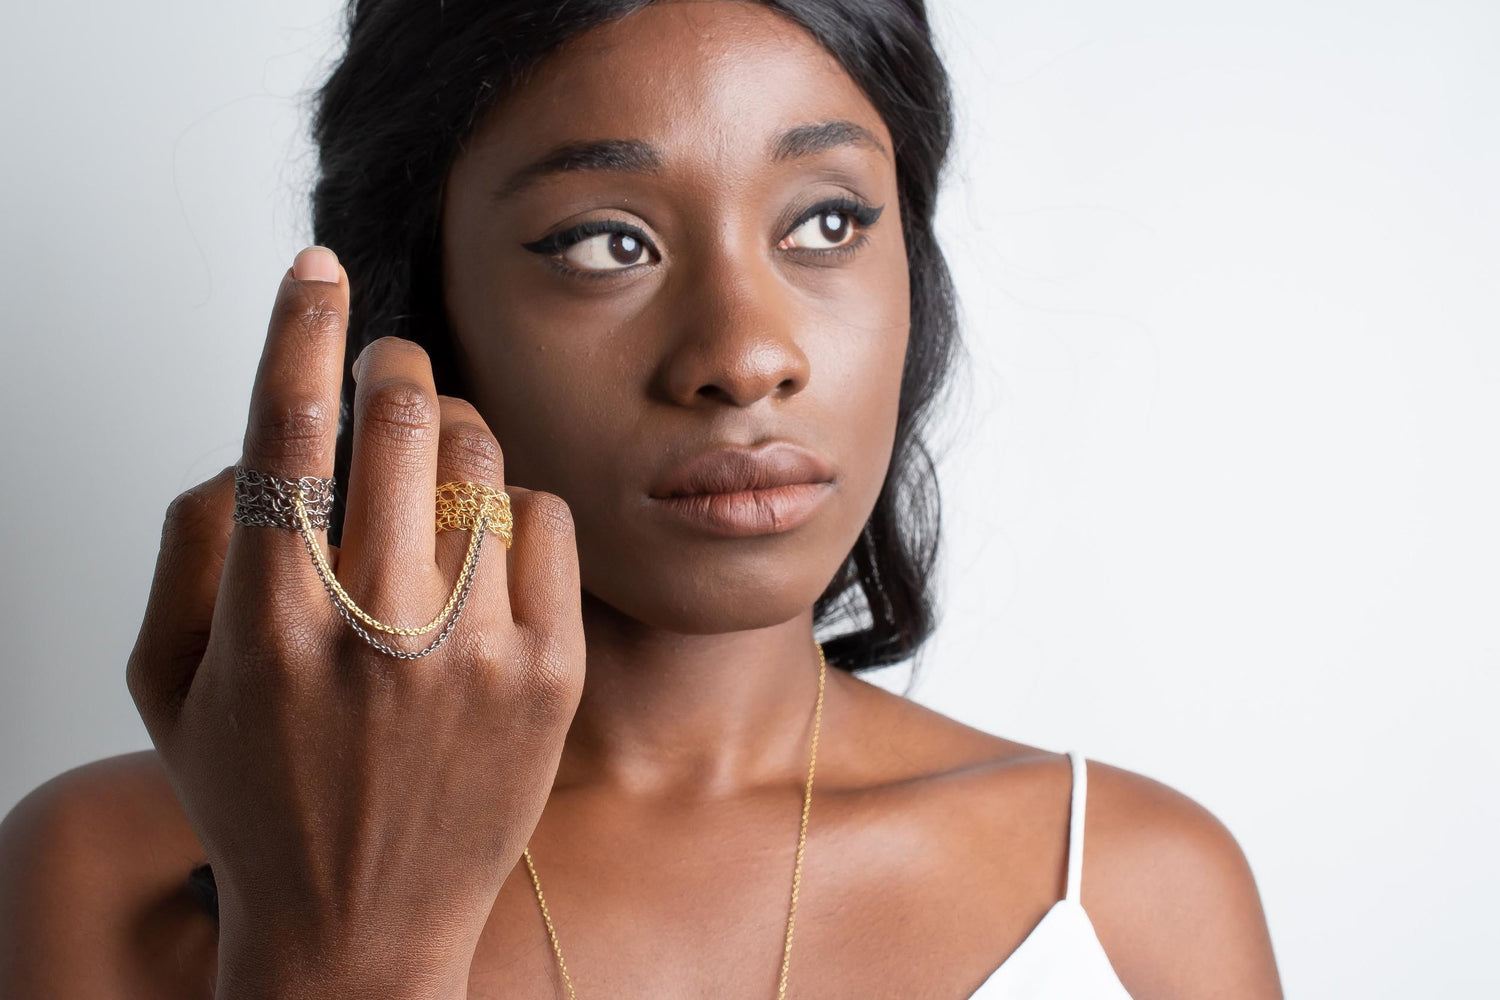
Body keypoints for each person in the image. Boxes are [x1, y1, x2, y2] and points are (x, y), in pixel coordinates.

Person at [0, 1, 1283, 997]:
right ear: (424, 307)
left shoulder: (1133, 892)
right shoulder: (107, 872)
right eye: (606, 242)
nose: (746, 352)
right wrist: (337, 947)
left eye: (827, 222)